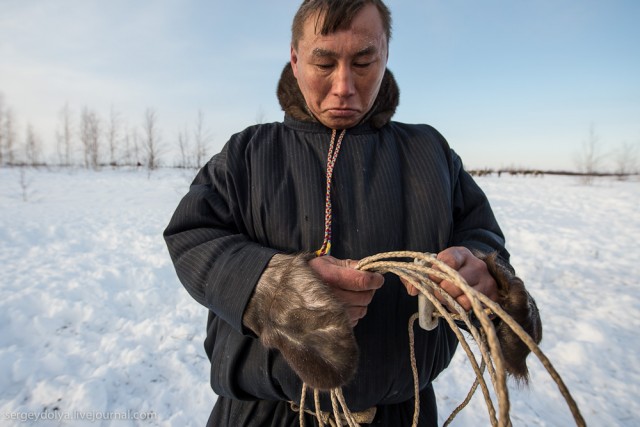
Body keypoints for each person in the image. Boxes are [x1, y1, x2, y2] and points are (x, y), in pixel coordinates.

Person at [163, 1, 542, 425]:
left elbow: (483, 239)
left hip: (404, 415)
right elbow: (192, 236)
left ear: (385, 55)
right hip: (267, 415)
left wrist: (482, 279)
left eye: (363, 61)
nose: (344, 86)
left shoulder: (429, 153)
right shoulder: (248, 154)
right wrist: (278, 291)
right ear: (294, 57)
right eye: (324, 63)